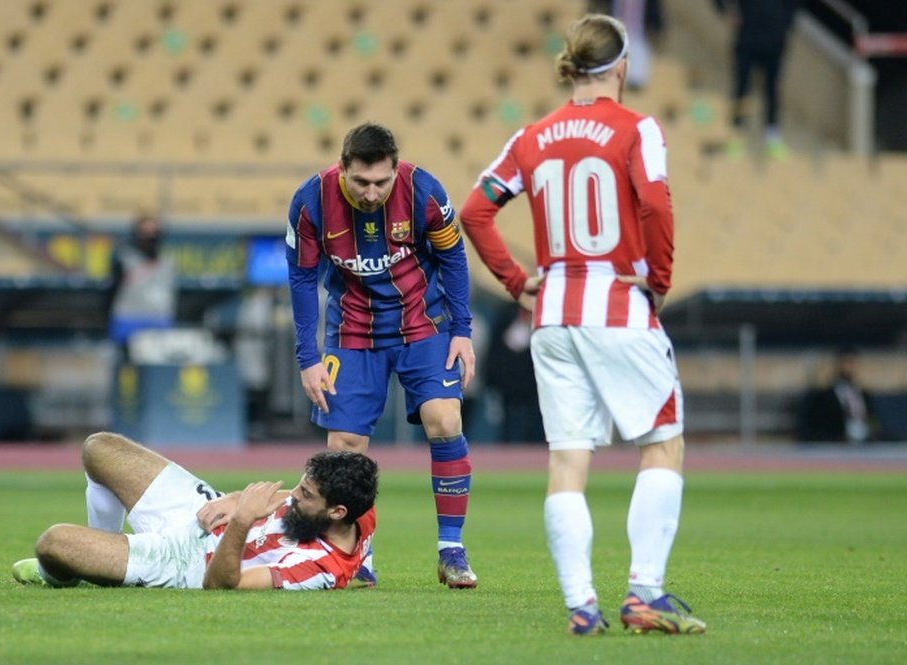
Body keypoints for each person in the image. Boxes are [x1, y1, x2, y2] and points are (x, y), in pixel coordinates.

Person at [458, 14, 705, 635]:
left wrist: (518, 282)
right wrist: (660, 277)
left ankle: (581, 605)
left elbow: (475, 211)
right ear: (621, 66)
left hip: (554, 310)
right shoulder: (636, 128)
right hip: (616, 303)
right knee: (662, 443)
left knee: (567, 460)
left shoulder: (532, 136)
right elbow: (653, 200)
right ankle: (644, 593)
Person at [285, 122, 478, 588]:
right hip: (352, 330)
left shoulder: (425, 191)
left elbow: (453, 259)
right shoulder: (310, 202)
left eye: (381, 182)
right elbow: (301, 279)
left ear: (395, 170)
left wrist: (463, 331)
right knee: (343, 449)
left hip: (424, 324)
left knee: (445, 421)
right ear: (343, 167)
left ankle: (450, 549)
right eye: (361, 182)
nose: (372, 193)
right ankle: (360, 554)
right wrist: (307, 357)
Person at [11, 431, 378, 590]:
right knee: (99, 448)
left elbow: (219, 584)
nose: (292, 495)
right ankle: (102, 553)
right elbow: (297, 498)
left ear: (336, 512)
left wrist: (242, 518)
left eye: (305, 493)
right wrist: (234, 499)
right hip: (200, 509)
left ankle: (66, 573)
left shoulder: (317, 571)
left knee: (54, 544)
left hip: (186, 561)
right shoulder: (359, 509)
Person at [714, 0, 801, 159]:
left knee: (772, 90)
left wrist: (785, 24)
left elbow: (795, 6)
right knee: (741, 89)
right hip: (747, 39)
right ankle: (736, 135)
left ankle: (772, 137)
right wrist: (726, 12)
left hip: (774, 41)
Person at [106, 214, 178, 357]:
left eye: (154, 232)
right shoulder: (124, 258)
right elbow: (112, 290)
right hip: (128, 321)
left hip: (159, 321)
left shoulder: (168, 262)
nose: (150, 237)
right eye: (145, 233)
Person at [483, 301, 545, 443]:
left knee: (534, 431)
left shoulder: (544, 317)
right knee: (509, 430)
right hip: (508, 388)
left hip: (536, 388)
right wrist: (492, 382)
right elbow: (497, 351)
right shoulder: (507, 314)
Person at [797, 349, 877, 444]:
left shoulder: (864, 395)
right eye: (846, 363)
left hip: (864, 446)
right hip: (836, 447)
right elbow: (817, 427)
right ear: (838, 365)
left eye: (852, 363)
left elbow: (873, 420)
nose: (849, 367)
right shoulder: (824, 397)